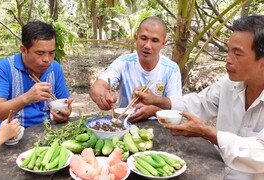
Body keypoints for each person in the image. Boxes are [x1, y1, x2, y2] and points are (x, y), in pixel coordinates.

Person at [134, 15, 264, 179]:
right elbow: (200, 102)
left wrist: (208, 133)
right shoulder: (229, 84)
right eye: (229, 50)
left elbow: (260, 153)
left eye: (237, 54)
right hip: (218, 171)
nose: (228, 59)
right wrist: (156, 100)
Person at [0, 20, 73, 136]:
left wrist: (64, 113)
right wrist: (27, 98)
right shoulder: (4, 68)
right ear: (23, 50)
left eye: (51, 53)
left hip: (44, 132)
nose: (47, 59)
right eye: (40, 53)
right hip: (9, 137)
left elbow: (64, 103)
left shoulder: (54, 68)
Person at [89, 16, 182, 122]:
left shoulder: (171, 69)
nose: (147, 45)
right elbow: (97, 87)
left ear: (163, 44)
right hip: (123, 123)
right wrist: (103, 97)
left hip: (158, 125)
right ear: (136, 38)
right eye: (144, 38)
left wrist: (153, 109)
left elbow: (176, 105)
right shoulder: (123, 62)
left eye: (155, 40)